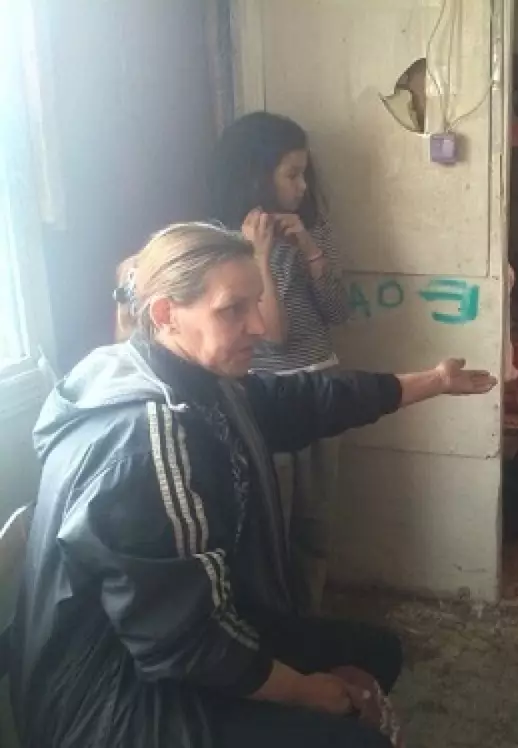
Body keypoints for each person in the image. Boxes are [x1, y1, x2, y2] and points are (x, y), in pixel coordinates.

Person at [11, 222, 496, 748]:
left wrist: (435, 381)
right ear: (166, 314)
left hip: (172, 640)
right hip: (113, 699)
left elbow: (304, 402)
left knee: (377, 652)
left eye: (257, 303)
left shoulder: (194, 381)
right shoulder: (146, 440)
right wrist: (309, 692)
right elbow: (181, 642)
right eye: (233, 309)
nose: (260, 326)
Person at [210, 111, 352, 614]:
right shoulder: (221, 241)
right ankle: (272, 625)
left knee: (315, 524)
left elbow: (339, 312)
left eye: (304, 173)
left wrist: (310, 249)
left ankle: (307, 621)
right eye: (292, 174)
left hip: (319, 385)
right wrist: (260, 258)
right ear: (257, 174)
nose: (302, 186)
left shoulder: (312, 230)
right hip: (258, 396)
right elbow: (273, 333)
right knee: (268, 521)